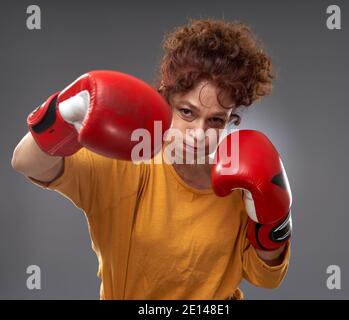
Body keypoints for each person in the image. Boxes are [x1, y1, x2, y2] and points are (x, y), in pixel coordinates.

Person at [11, 18, 292, 300]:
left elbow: (267, 276)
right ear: (165, 99)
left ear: (230, 119)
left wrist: (273, 218)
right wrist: (63, 114)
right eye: (187, 112)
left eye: (216, 120)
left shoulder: (239, 177)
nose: (198, 134)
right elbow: (26, 161)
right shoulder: (127, 162)